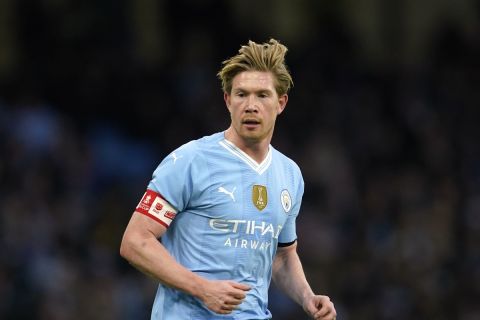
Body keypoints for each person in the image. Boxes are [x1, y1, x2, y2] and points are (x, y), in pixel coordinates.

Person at [120, 39, 337, 320]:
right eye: (241, 94)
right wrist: (202, 289)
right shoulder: (190, 161)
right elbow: (135, 241)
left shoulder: (290, 174)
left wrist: (308, 297)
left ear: (281, 103)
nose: (250, 105)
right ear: (227, 100)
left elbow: (282, 256)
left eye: (262, 95)